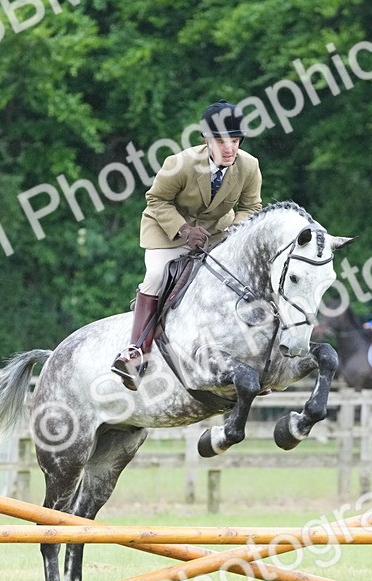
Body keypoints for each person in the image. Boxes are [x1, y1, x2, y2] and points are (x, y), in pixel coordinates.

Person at [111, 100, 264, 390]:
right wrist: (183, 230)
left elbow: (252, 206)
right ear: (207, 140)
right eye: (221, 141)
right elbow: (156, 200)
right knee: (156, 276)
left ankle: (252, 353)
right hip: (168, 232)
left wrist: (236, 229)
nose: (229, 148)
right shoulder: (179, 164)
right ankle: (135, 351)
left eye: (235, 140)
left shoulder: (249, 166)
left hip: (217, 234)